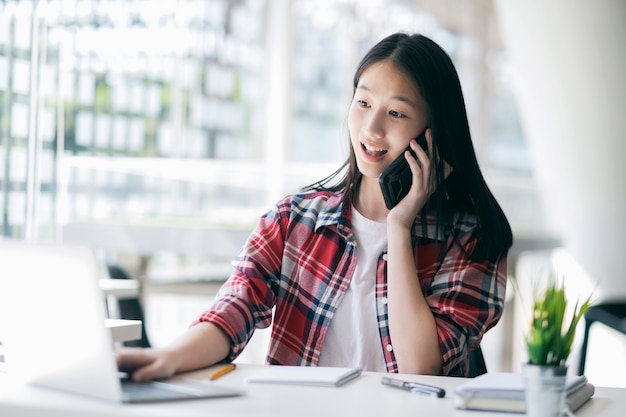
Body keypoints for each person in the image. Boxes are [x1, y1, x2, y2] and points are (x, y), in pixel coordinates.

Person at [116, 32, 513, 380]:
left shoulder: (473, 239)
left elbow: (420, 368)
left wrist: (400, 228)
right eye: (363, 104)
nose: (371, 129)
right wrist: (168, 357)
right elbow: (234, 309)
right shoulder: (294, 221)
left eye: (396, 113)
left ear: (434, 132)